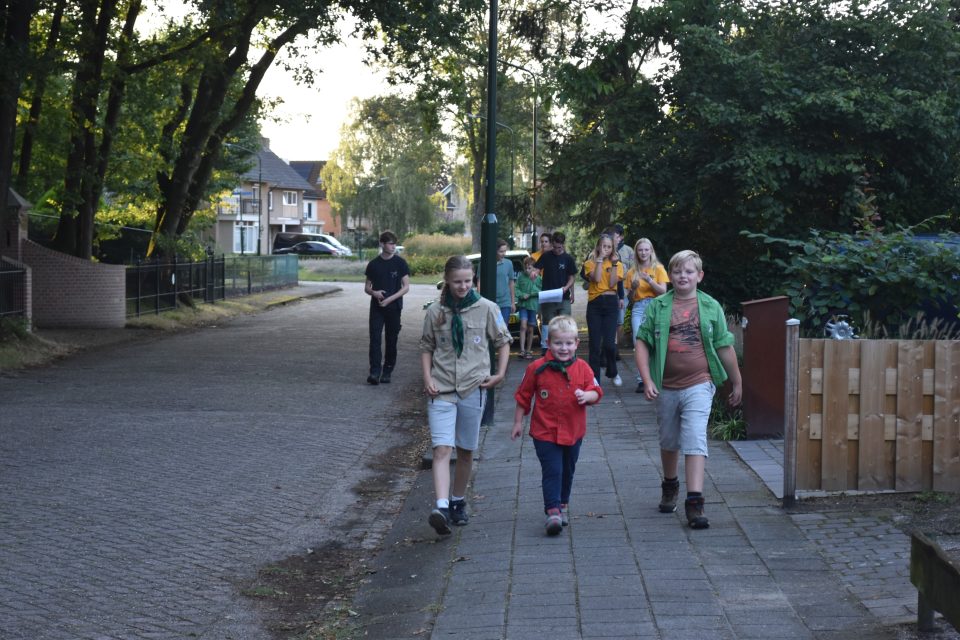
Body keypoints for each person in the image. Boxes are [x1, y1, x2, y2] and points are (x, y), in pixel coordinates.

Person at [634, 250, 743, 530]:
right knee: (669, 439)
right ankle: (670, 484)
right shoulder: (658, 306)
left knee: (695, 437)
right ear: (670, 275)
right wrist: (646, 380)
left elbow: (724, 345)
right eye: (678, 271)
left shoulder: (710, 306)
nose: (683, 276)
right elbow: (643, 343)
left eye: (689, 271)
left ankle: (695, 502)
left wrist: (737, 381)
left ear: (699, 276)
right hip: (666, 385)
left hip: (700, 382)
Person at [420, 255, 512, 535]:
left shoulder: (487, 308)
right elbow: (426, 346)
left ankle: (458, 501)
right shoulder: (435, 312)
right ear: (447, 281)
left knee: (465, 451)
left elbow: (503, 341)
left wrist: (500, 374)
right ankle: (442, 506)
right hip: (442, 388)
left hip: (474, 387)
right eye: (457, 282)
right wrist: (427, 377)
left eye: (467, 281)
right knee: (441, 449)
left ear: (474, 280)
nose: (462, 286)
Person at [511, 315, 602, 535]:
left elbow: (597, 391)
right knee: (553, 469)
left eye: (569, 343)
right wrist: (517, 422)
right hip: (545, 431)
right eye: (558, 343)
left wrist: (586, 395)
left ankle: (562, 503)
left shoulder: (583, 368)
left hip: (573, 430)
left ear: (576, 344)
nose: (564, 348)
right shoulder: (536, 368)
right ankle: (552, 510)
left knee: (568, 469)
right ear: (548, 343)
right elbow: (523, 396)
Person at [364, 230, 410, 385]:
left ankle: (387, 371)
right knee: (375, 340)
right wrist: (374, 293)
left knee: (391, 340)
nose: (393, 246)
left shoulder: (400, 263)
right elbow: (367, 287)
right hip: (376, 308)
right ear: (382, 244)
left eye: (394, 243)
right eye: (390, 243)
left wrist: (390, 299)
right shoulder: (373, 264)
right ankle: (374, 372)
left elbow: (406, 287)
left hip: (394, 307)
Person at [625, 238, 669, 393]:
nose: (643, 253)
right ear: (636, 252)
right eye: (640, 250)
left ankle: (657, 378)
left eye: (646, 249)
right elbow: (629, 299)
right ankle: (642, 380)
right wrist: (633, 289)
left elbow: (664, 291)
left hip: (656, 306)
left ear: (651, 251)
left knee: (657, 343)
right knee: (639, 343)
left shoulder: (659, 269)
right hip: (638, 307)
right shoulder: (632, 272)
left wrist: (650, 280)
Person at [583, 232, 624, 386]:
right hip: (595, 304)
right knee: (594, 343)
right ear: (598, 247)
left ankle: (612, 371)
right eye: (603, 246)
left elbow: (613, 283)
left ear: (613, 248)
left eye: (609, 247)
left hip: (611, 304)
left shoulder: (618, 265)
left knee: (609, 343)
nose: (606, 249)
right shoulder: (589, 263)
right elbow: (597, 279)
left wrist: (613, 264)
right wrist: (599, 260)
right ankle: (594, 380)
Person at [534, 231, 577, 353]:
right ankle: (546, 348)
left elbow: (572, 277)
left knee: (566, 321)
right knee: (548, 323)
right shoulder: (546, 256)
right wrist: (534, 273)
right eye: (555, 247)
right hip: (548, 296)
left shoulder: (568, 258)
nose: (557, 250)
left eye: (560, 247)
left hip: (563, 296)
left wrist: (568, 288)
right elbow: (537, 269)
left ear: (563, 245)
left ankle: (567, 346)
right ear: (552, 244)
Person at [515, 256, 542, 359]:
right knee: (523, 326)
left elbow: (541, 290)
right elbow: (516, 288)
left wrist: (531, 294)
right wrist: (522, 295)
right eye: (526, 268)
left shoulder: (538, 278)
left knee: (531, 329)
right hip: (523, 305)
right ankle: (522, 350)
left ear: (534, 268)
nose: (527, 270)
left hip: (533, 306)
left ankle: (528, 350)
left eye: (529, 268)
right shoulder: (521, 277)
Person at [494, 238, 516, 326]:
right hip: (492, 302)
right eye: (501, 251)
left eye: (505, 251)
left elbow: (511, 283)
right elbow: (480, 282)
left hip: (505, 302)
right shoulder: (485, 263)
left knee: (503, 328)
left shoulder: (508, 263)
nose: (504, 254)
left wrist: (513, 302)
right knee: (493, 328)